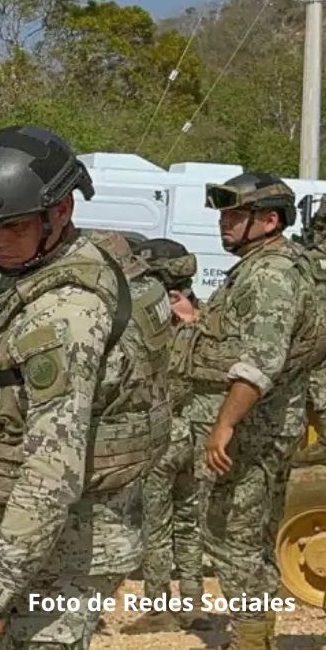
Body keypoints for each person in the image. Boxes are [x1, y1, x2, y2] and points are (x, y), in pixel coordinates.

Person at [0, 127, 170, 650]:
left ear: (61, 211)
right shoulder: (83, 257)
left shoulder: (64, 313)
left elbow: (51, 472)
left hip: (64, 548)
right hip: (62, 537)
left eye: (13, 227)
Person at [180, 173, 322, 649]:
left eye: (236, 215)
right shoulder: (263, 267)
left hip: (251, 431)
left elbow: (262, 359)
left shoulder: (270, 274)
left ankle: (250, 638)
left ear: (269, 220)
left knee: (229, 537)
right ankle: (254, 633)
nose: (225, 223)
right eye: (224, 214)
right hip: (258, 427)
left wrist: (224, 424)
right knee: (249, 537)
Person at [119, 237, 212, 635]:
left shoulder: (148, 314)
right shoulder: (206, 315)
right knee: (190, 521)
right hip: (203, 433)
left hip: (164, 434)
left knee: (156, 524)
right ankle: (192, 604)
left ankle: (158, 607)